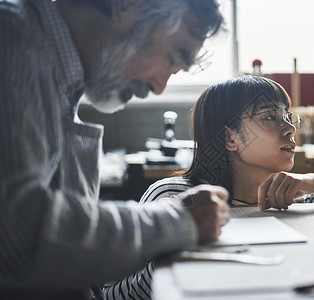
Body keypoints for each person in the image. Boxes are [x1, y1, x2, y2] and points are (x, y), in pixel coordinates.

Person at [0, 0, 230, 299]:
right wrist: (179, 221)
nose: (160, 87)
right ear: (127, 5)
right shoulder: (12, 40)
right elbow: (19, 235)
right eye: (173, 57)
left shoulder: (61, 78)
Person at [104, 75, 314, 299]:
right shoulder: (176, 196)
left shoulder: (299, 197)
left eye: (287, 115)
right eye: (269, 117)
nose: (290, 128)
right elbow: (114, 292)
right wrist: (180, 246)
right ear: (230, 138)